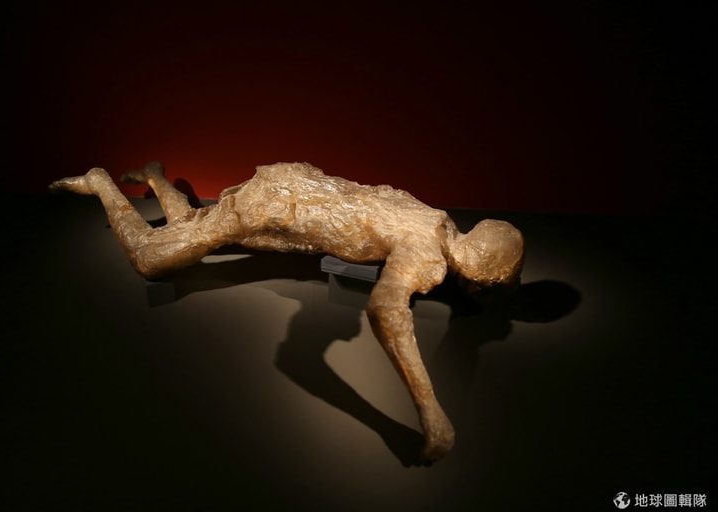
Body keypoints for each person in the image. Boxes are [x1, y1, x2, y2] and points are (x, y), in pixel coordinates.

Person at [50, 160, 524, 461]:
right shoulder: (428, 252)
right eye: (495, 283)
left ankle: (156, 176)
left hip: (292, 188)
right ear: (488, 275)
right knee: (149, 258)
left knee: (201, 229)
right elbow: (385, 308)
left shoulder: (434, 218)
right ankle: (102, 184)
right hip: (277, 204)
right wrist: (431, 412)